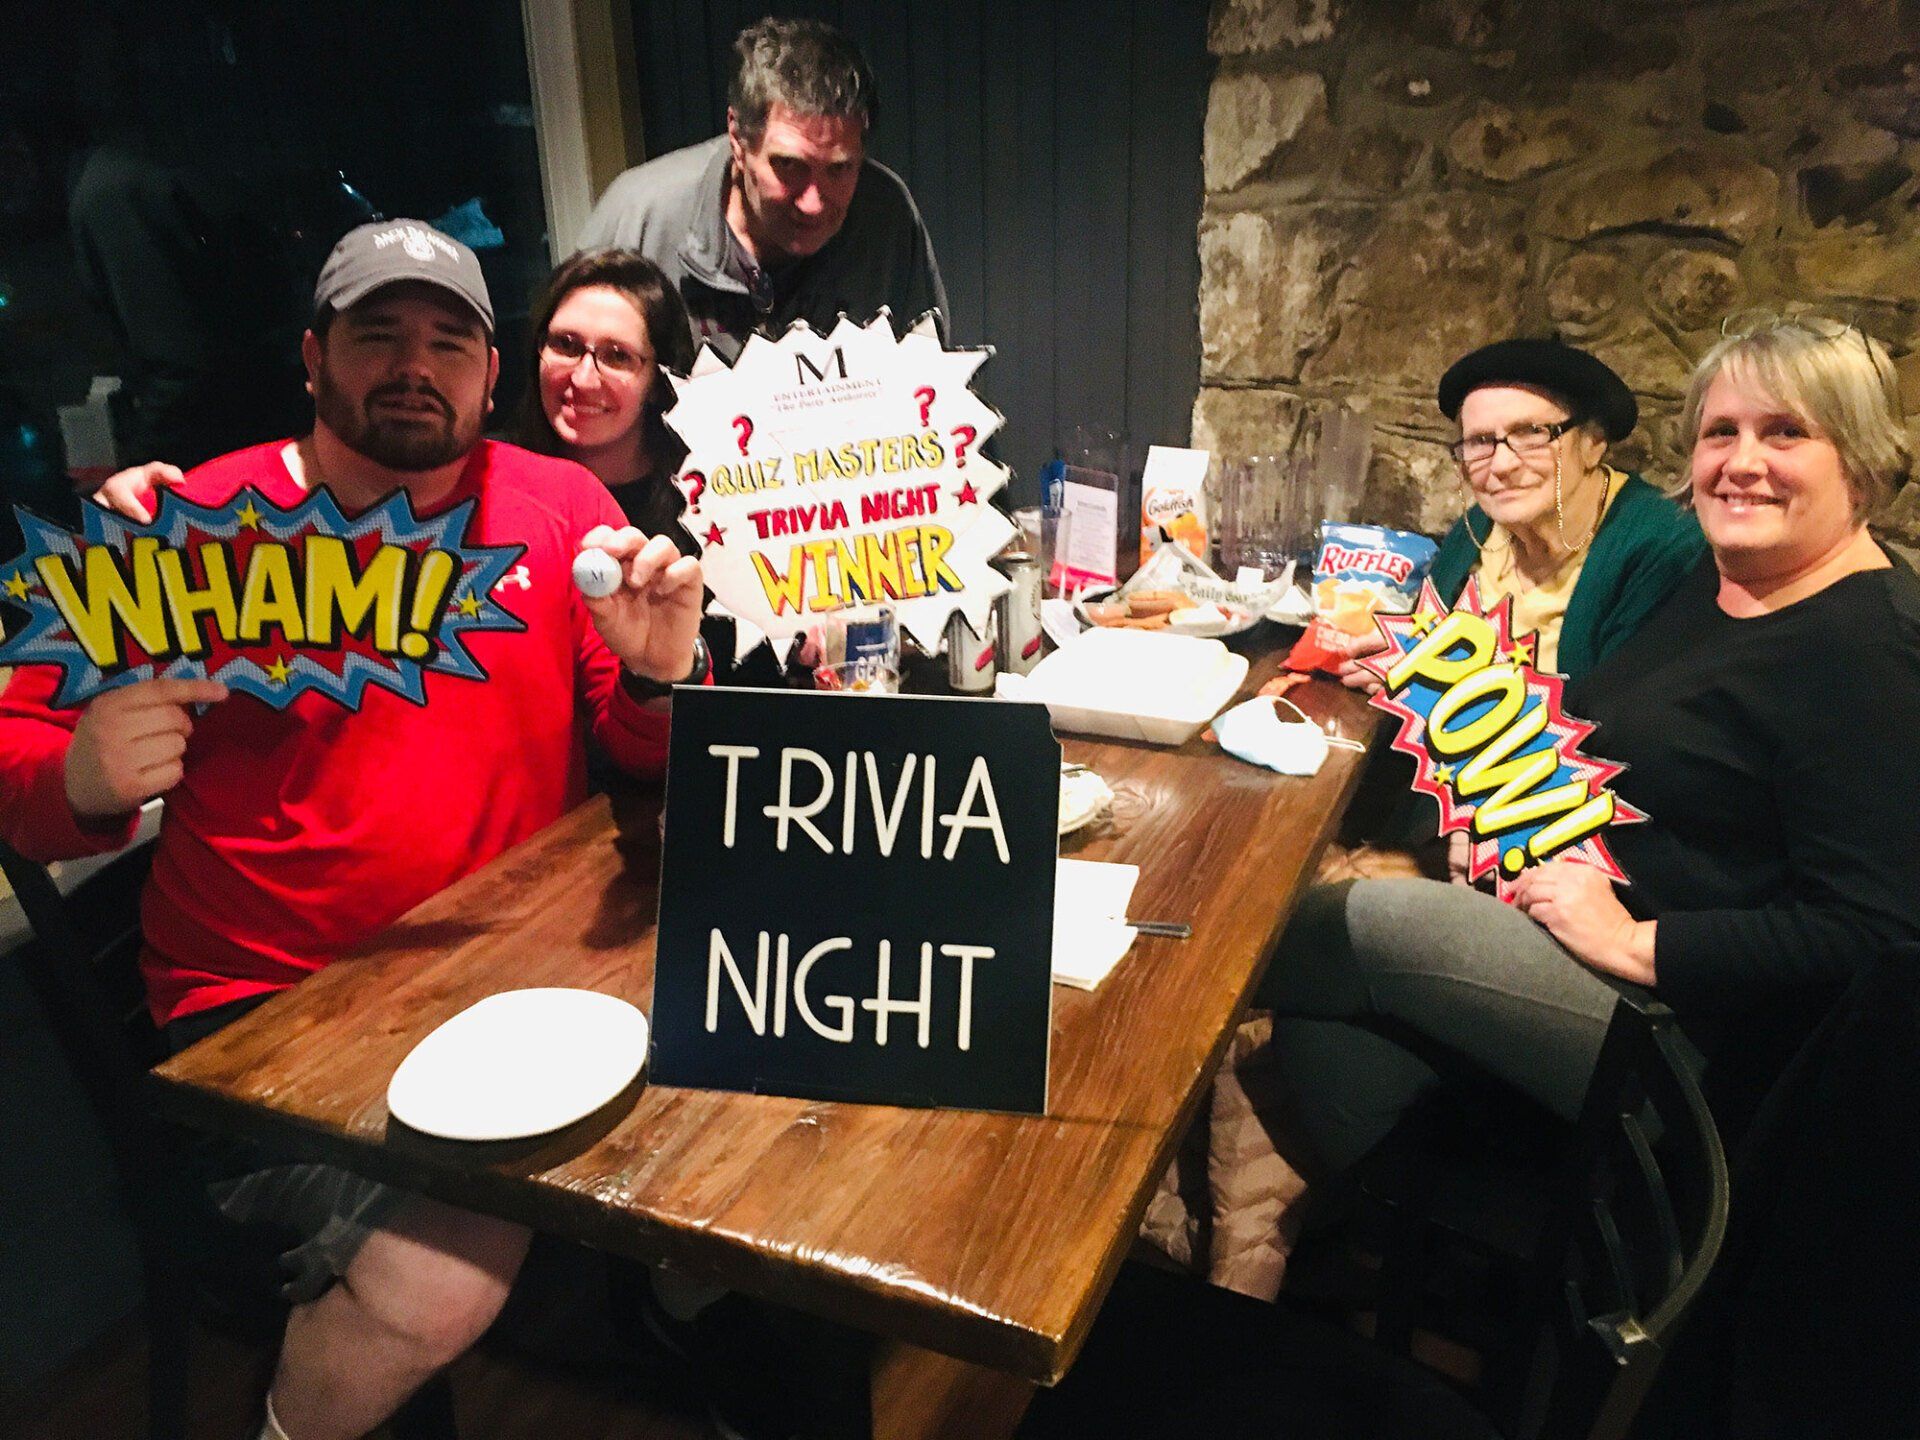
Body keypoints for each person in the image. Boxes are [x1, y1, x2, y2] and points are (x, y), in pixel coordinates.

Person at [0, 219, 706, 1440]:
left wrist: (655, 680)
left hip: (512, 977)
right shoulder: (191, 521)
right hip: (263, 1017)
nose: (414, 367)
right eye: (378, 335)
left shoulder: (559, 505)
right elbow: (14, 748)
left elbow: (637, 752)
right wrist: (83, 774)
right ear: (314, 357)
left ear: (491, 372)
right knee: (451, 1263)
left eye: (448, 342)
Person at [1257, 313, 1920, 1175]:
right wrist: (1507, 826)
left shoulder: (1872, 652)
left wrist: (1639, 943)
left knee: (1328, 924)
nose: (1742, 461)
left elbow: (1877, 932)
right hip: (1573, 926)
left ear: (1861, 464)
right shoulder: (1727, 583)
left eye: (1786, 432)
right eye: (1721, 432)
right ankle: (1394, 1216)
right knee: (1326, 1042)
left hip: (1685, 1038)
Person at [578, 16, 947, 359]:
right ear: (738, 140)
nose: (813, 203)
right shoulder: (640, 218)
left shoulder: (887, 214)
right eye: (788, 165)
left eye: (839, 169)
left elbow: (930, 375)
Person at [513, 247, 698, 541]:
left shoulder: (707, 504)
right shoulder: (495, 491)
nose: (583, 379)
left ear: (658, 381)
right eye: (566, 344)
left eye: (617, 356)